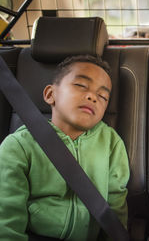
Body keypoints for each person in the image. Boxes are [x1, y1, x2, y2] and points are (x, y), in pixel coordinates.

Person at [0, 55, 130, 240]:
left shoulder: (111, 143)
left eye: (103, 96)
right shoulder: (19, 145)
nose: (93, 96)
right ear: (50, 94)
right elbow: (7, 215)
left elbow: (116, 203)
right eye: (81, 86)